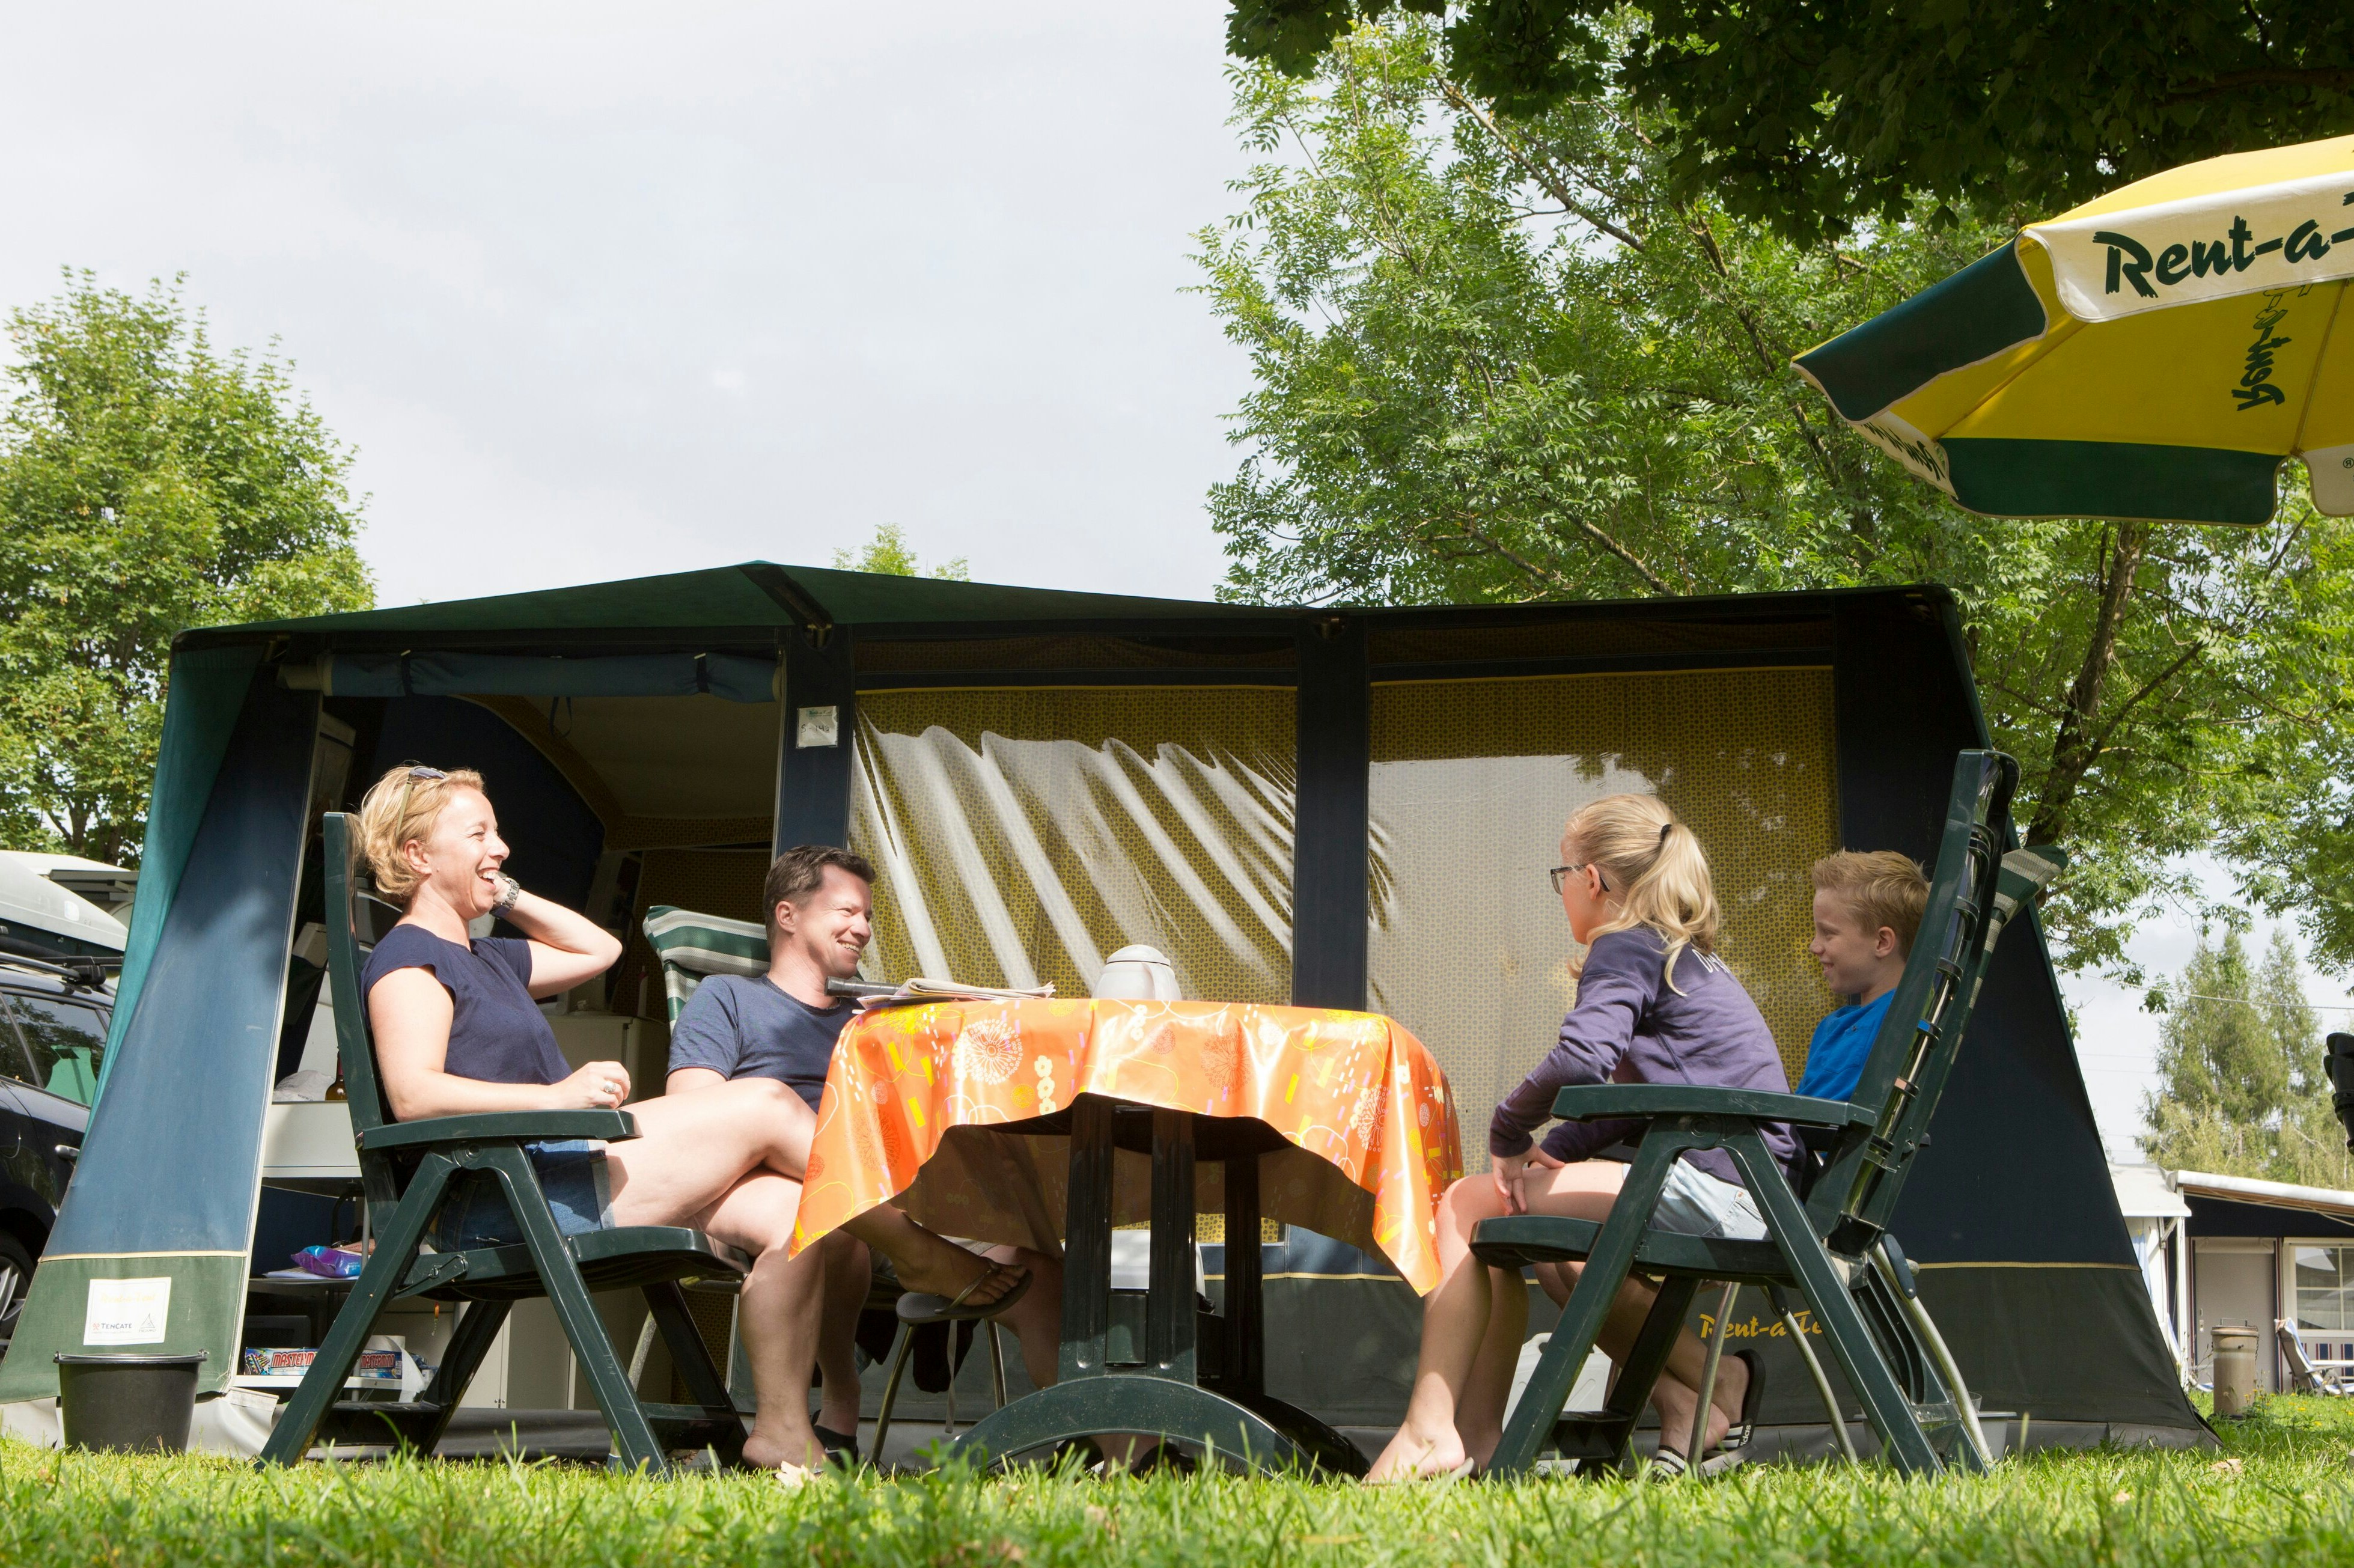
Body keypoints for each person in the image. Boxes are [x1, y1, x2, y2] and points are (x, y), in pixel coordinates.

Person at [355, 764, 1020, 1482]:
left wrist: (499, 890)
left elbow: (598, 950)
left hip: (550, 1169)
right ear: (419, 855)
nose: (503, 846)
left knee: (805, 1212)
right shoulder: (409, 960)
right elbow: (415, 1094)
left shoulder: (487, 955)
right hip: (501, 1198)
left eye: (498, 831)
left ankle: (781, 1433)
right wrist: (561, 1094)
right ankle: (911, 1244)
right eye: (479, 833)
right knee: (765, 1100)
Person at [1365, 793, 1797, 1483]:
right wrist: (1558, 1148)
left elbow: (1582, 1058)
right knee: (1557, 1259)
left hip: (1727, 1183)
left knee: (1464, 1203)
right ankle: (1695, 1397)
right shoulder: (1672, 952)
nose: (1560, 889)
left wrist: (1509, 1126)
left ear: (1591, 879)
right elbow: (1641, 1101)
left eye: (1560, 874)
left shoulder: (1624, 946)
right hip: (1750, 1184)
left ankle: (1435, 1431)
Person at [665, 844, 1063, 1451]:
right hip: (783, 1196)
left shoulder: (874, 1022)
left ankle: (1108, 1448)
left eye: (868, 915)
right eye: (847, 910)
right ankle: (836, 1401)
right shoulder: (726, 998)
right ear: (788, 914)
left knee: (1040, 1269)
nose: (863, 928)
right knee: (834, 1207)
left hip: (901, 1193)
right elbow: (693, 1118)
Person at [1795, 851, 1929, 1103]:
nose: (1814, 946)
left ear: (1882, 942)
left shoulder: (1899, 1022)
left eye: (1828, 933)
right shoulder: (1833, 1025)